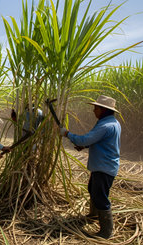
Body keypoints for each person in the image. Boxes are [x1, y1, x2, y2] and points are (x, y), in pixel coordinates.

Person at [60, 95, 121, 239]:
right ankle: (93, 215)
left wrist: (67, 134)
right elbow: (93, 140)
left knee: (100, 197)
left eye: (96, 108)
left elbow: (86, 138)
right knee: (92, 189)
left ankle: (106, 232)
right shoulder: (111, 122)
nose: (94, 111)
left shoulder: (106, 125)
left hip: (104, 167)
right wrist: (85, 145)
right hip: (102, 165)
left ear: (104, 110)